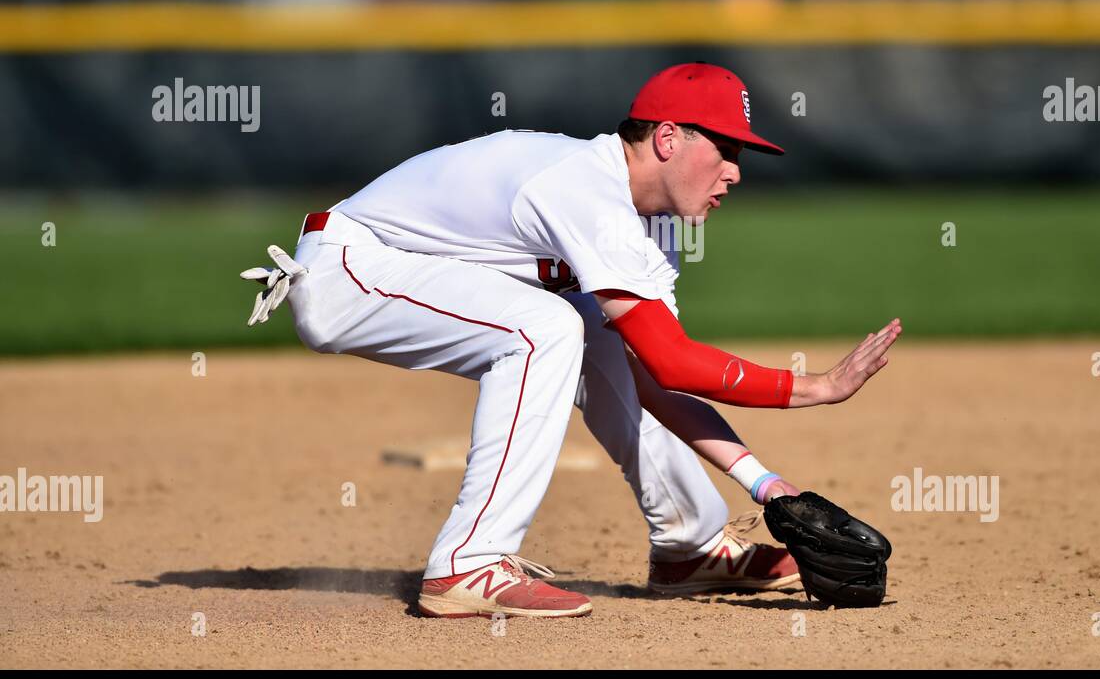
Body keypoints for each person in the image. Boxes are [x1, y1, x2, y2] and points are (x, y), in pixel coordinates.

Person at [242, 62, 902, 619]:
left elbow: (658, 372)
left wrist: (769, 487)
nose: (735, 171)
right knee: (546, 329)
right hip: (348, 267)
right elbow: (677, 361)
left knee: (594, 329)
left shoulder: (654, 226)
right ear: (667, 138)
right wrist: (815, 387)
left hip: (398, 268)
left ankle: (690, 547)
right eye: (724, 149)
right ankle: (467, 561)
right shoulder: (586, 188)